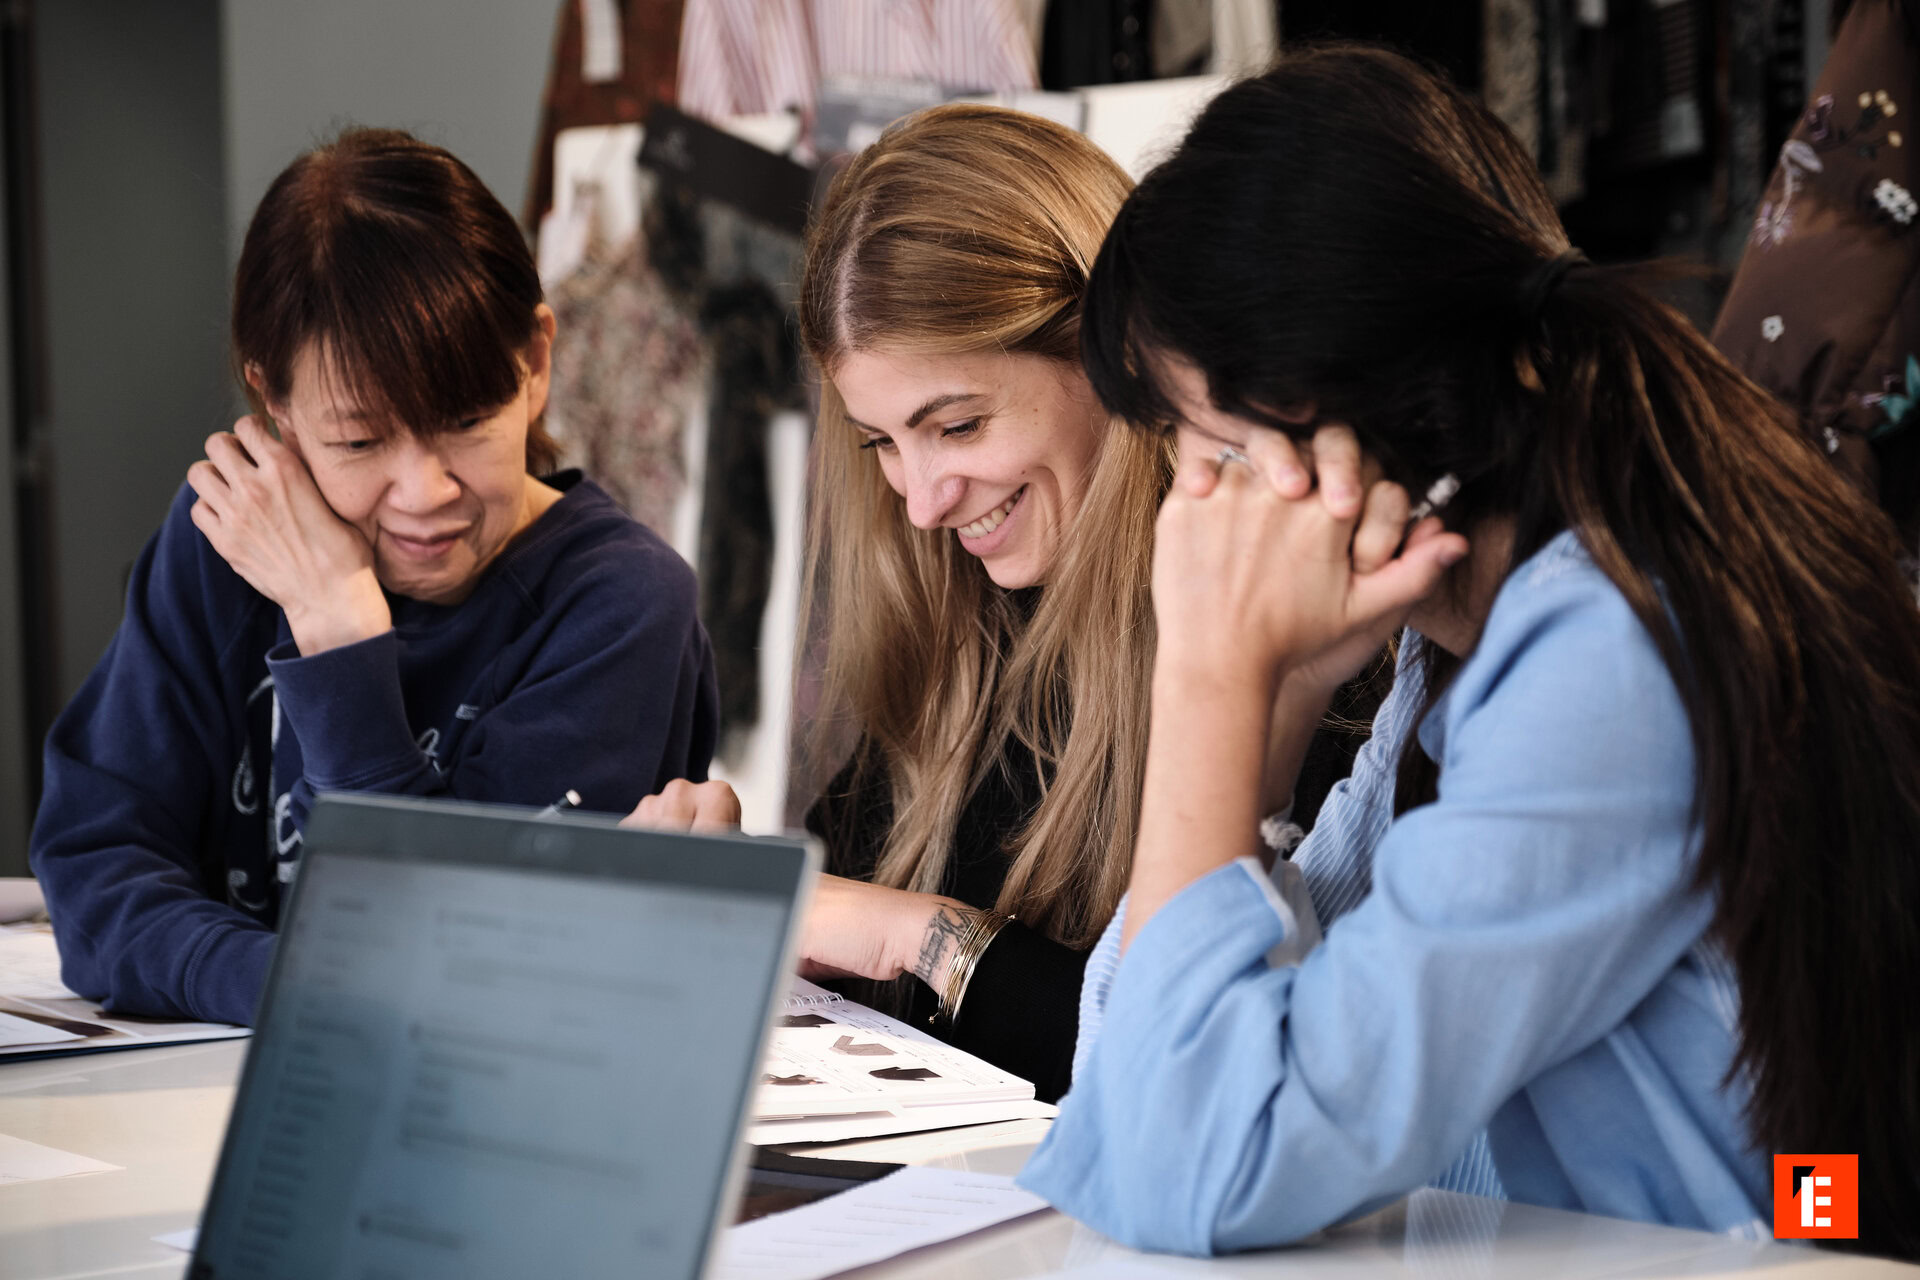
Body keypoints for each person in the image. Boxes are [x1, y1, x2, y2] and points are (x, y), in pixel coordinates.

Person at [1017, 47, 1920, 1261]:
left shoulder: (1612, 654)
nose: (1191, 511)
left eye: (1212, 449)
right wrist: (1277, 704)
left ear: (1347, 416)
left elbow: (1201, 1166)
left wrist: (1210, 682)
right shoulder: (1468, 644)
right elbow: (1125, 1092)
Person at [629, 104, 1387, 1103]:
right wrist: (735, 897)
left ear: (1111, 352)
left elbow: (1216, 1069)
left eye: (958, 423)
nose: (923, 499)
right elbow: (840, 908)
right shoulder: (955, 630)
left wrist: (911, 935)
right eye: (883, 443)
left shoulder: (1303, 624)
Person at [29, 128, 720, 1028]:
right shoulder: (225, 544)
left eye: (467, 421)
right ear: (274, 405)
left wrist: (338, 631)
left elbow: (454, 960)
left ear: (536, 363)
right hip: (208, 1085)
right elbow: (94, 865)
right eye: (360, 442)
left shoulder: (619, 605)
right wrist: (296, 987)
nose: (424, 492)